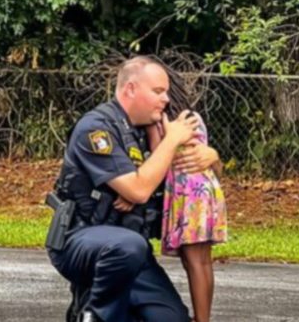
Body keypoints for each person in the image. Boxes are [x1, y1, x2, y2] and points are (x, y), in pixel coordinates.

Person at [46, 56, 221, 322]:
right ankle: (93, 315)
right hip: (81, 241)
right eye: (158, 92)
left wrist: (213, 157)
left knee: (172, 318)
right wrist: (171, 141)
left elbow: (193, 182)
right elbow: (138, 190)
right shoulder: (96, 130)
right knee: (126, 246)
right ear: (130, 89)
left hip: (133, 253)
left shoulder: (149, 131)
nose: (166, 99)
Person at [146, 69, 226, 322]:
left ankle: (202, 319)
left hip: (188, 192)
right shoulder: (192, 116)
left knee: (195, 261)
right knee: (200, 260)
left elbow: (159, 153)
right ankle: (202, 317)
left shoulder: (162, 120)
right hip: (204, 188)